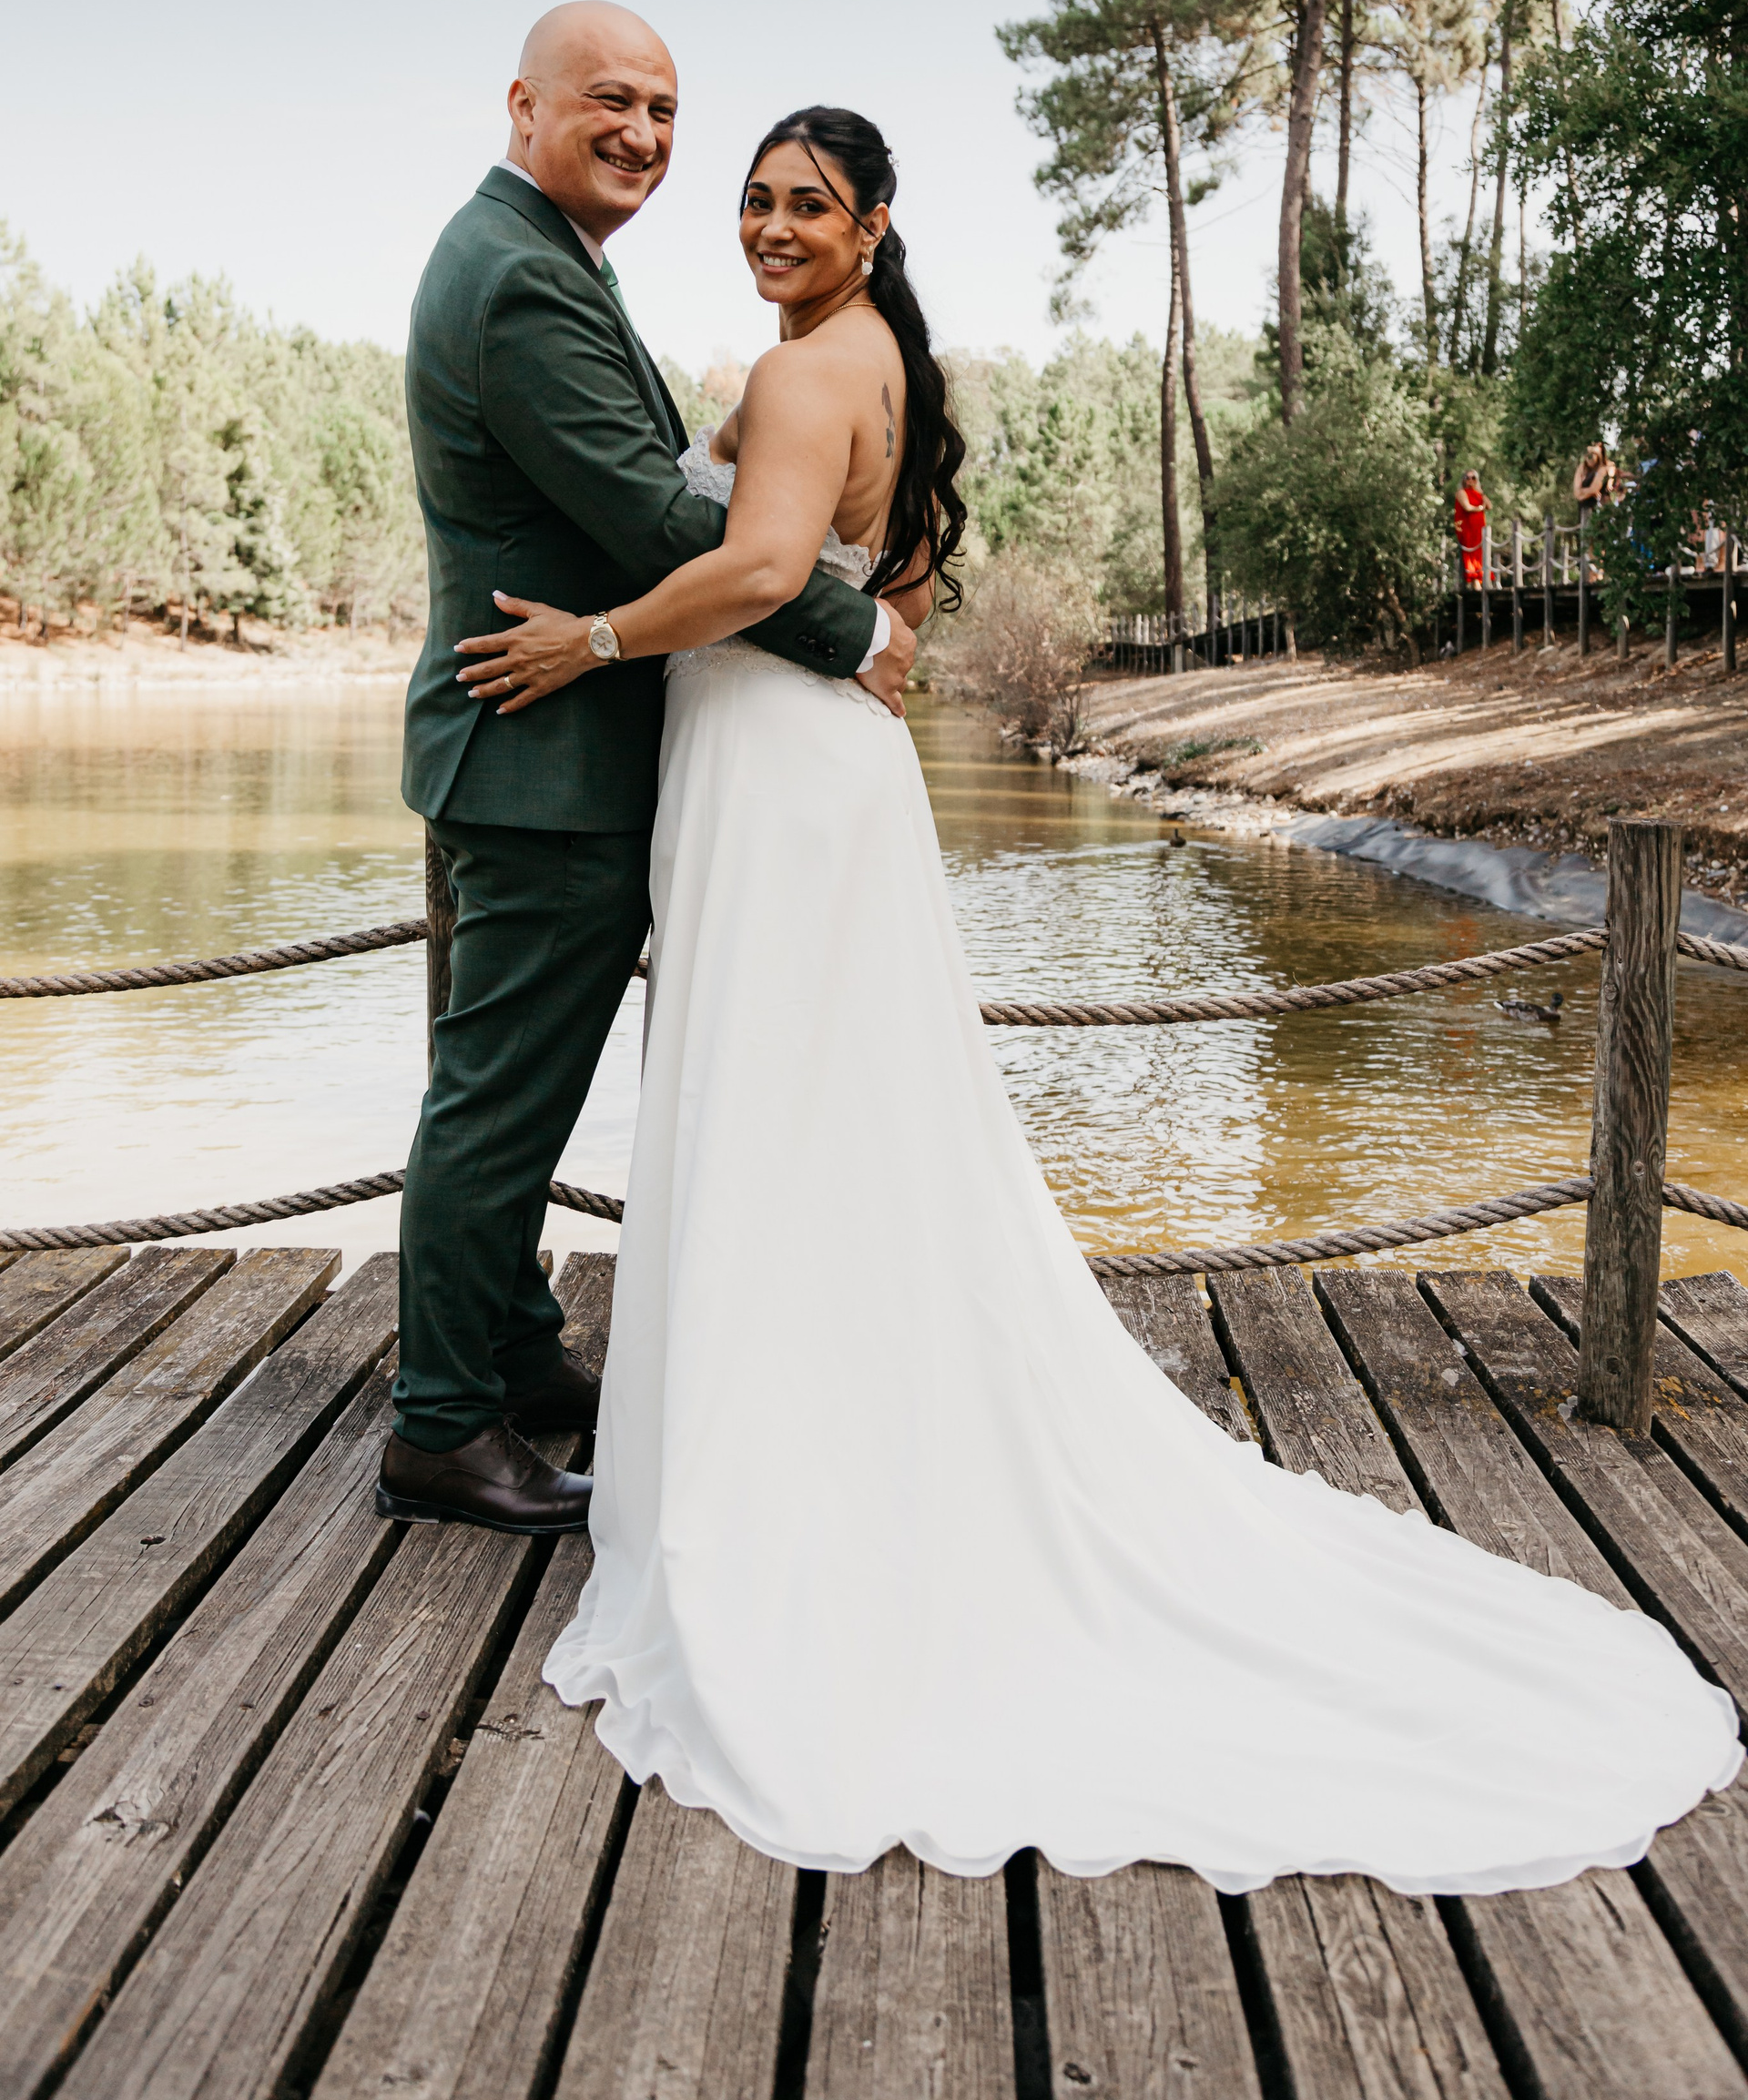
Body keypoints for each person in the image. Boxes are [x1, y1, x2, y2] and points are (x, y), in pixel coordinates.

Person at [453, 103, 1738, 1895]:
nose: (767, 225)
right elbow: (882, 587)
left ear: (871, 222)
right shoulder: (883, 359)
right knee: (835, 1108)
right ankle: (833, 1422)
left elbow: (758, 574)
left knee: (775, 1102)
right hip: (822, 767)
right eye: (753, 201)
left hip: (772, 766)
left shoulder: (807, 367)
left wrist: (584, 641)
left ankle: (784, 1466)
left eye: (807, 204)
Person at [380, 11, 916, 1536]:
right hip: (539, 757)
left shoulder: (547, 257)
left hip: (559, 750)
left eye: (666, 110)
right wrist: (852, 628)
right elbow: (648, 514)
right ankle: (441, 1427)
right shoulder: (519, 278)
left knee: (516, 1091)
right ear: (524, 103)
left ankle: (510, 1350)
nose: (642, 133)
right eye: (610, 100)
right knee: (499, 1101)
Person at [1454, 469, 1488, 586]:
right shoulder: (1461, 492)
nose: (1470, 480)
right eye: (1467, 477)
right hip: (1468, 528)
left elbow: (1489, 505)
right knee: (1471, 553)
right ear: (1463, 479)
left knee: (1480, 553)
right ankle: (1475, 584)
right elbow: (1467, 507)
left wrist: (1481, 492)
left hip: (1479, 528)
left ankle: (1480, 583)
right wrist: (1480, 508)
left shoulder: (1478, 494)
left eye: (1473, 478)